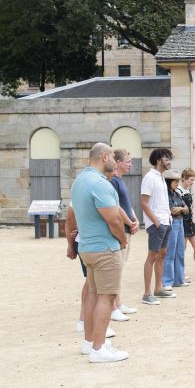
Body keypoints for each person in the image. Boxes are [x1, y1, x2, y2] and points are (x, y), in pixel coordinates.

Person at [71, 142, 128, 362]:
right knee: (107, 296)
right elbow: (114, 220)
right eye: (113, 156)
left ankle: (90, 343)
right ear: (104, 157)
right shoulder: (100, 184)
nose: (115, 160)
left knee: (93, 295)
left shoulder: (79, 181)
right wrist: (122, 240)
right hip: (104, 248)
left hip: (87, 247)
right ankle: (98, 348)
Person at [66, 206, 115, 339]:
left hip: (87, 241)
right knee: (94, 286)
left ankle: (84, 321)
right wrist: (70, 244)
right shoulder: (89, 190)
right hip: (90, 243)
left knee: (90, 283)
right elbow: (70, 218)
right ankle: (89, 323)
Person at [140, 148, 176, 304]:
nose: (169, 162)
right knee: (152, 257)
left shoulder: (161, 177)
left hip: (166, 222)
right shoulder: (149, 177)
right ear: (158, 160)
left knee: (162, 255)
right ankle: (147, 294)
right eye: (166, 159)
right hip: (157, 224)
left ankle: (159, 289)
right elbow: (143, 203)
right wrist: (156, 222)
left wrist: (166, 220)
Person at [108, 149, 139, 320]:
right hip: (120, 229)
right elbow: (115, 206)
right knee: (115, 270)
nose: (130, 164)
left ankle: (118, 304)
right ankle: (113, 308)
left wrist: (134, 219)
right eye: (128, 161)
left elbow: (126, 205)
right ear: (118, 162)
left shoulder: (120, 181)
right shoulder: (113, 181)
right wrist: (129, 222)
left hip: (127, 228)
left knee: (120, 269)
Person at [162, 170, 188, 288]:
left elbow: (186, 208)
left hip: (180, 222)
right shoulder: (165, 194)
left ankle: (179, 280)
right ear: (169, 181)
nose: (177, 184)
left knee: (180, 252)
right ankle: (167, 281)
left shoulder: (176, 194)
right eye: (175, 181)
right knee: (170, 253)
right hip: (172, 223)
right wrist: (182, 208)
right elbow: (173, 210)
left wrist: (181, 209)